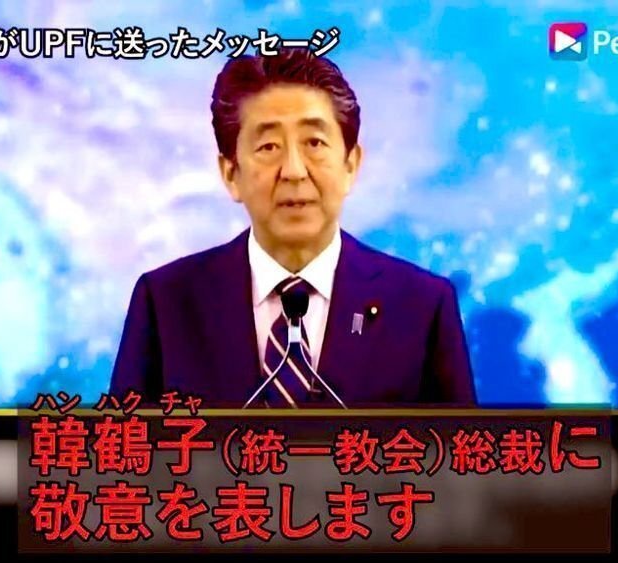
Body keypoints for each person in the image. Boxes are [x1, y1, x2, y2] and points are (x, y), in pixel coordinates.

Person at [110, 48, 476, 408]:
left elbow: (459, 448)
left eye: (314, 143)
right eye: (268, 146)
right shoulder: (165, 304)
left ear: (350, 164)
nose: (294, 171)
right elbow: (124, 444)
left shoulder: (422, 306)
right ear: (231, 173)